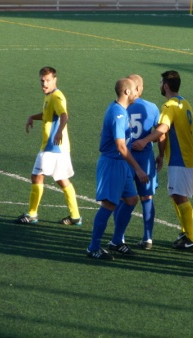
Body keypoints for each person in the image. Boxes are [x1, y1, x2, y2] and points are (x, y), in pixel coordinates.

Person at [132, 70, 193, 250]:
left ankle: (191, 237)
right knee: (176, 194)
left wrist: (145, 140)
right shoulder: (184, 102)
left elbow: (162, 129)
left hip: (181, 158)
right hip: (187, 156)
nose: (160, 85)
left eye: (161, 82)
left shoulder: (169, 106)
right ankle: (186, 232)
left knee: (180, 196)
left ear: (166, 86)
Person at [86, 78, 149, 260]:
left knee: (131, 199)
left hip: (122, 164)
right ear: (127, 92)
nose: (138, 92)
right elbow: (121, 147)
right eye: (135, 90)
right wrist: (138, 169)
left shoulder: (119, 110)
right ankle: (93, 247)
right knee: (109, 204)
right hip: (113, 163)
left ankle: (116, 241)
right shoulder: (118, 114)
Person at [16, 66, 82, 226]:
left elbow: (64, 115)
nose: (44, 84)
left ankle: (32, 214)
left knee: (36, 177)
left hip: (52, 148)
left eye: (47, 80)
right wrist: (33, 117)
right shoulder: (49, 96)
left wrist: (59, 132)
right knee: (62, 179)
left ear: (55, 80)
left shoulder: (56, 97)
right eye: (42, 81)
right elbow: (48, 115)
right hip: (58, 148)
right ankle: (75, 216)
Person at [126, 74, 160, 250]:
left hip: (125, 157)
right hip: (145, 158)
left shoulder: (121, 106)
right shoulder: (152, 107)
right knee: (147, 197)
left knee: (123, 198)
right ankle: (148, 238)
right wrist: (161, 155)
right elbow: (161, 133)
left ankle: (119, 237)